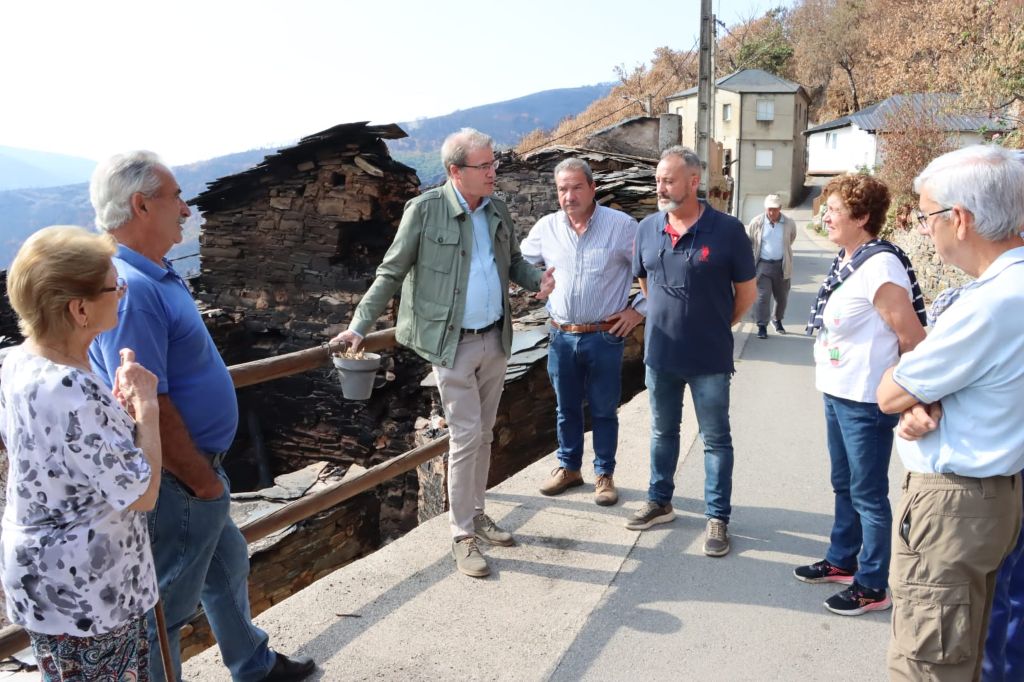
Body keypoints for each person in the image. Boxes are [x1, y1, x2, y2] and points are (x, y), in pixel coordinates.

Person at [88, 152, 315, 682]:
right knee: (166, 605)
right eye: (175, 197)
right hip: (178, 478)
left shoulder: (153, 275)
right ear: (141, 205)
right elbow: (149, 403)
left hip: (192, 473)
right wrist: (202, 482)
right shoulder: (133, 292)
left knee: (226, 563)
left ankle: (254, 665)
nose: (187, 209)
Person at [332, 128, 554, 578]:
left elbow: (512, 263)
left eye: (493, 163)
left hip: (496, 337)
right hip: (452, 343)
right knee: (466, 435)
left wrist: (538, 282)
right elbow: (391, 272)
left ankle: (477, 513)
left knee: (485, 433)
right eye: (484, 166)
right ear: (456, 171)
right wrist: (359, 326)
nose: (493, 172)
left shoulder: (496, 209)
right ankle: (462, 534)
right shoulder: (425, 210)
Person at [877, 144, 1024, 681]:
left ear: (959, 219)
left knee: (929, 662)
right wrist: (927, 394)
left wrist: (916, 390)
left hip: (954, 504)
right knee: (967, 649)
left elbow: (890, 393)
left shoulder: (989, 304)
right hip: (997, 495)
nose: (924, 229)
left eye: (926, 215)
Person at [1, 226, 161, 680]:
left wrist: (114, 415)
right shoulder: (70, 387)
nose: (122, 293)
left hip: (46, 581)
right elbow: (143, 493)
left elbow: (66, 454)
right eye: (114, 286)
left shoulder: (19, 362)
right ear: (80, 309)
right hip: (88, 590)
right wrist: (146, 405)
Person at [795, 174, 927, 616]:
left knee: (868, 493)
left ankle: (872, 585)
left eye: (835, 210)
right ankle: (842, 559)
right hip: (838, 390)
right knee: (844, 483)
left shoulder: (879, 266)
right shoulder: (849, 259)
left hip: (867, 398)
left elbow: (912, 338)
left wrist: (913, 397)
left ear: (863, 217)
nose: (826, 216)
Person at [626, 145, 756, 558]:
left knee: (715, 439)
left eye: (668, 180)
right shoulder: (647, 229)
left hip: (709, 358)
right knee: (662, 432)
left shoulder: (728, 230)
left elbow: (747, 293)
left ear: (694, 182)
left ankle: (717, 517)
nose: (660, 187)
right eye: (658, 180)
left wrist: (715, 324)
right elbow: (646, 283)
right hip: (660, 356)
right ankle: (659, 501)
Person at [521, 158, 643, 507]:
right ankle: (569, 468)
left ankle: (604, 475)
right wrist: (535, 282)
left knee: (604, 409)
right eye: (563, 189)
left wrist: (638, 310)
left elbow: (652, 269)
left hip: (604, 336)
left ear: (593, 188)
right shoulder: (546, 228)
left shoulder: (622, 226)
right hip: (561, 335)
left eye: (576, 187)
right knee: (566, 408)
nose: (569, 196)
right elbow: (520, 262)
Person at [747, 193, 797, 339]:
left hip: (781, 265)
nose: (772, 212)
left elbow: (791, 238)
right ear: (765, 208)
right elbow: (751, 240)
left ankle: (777, 320)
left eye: (775, 209)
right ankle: (762, 325)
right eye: (769, 209)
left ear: (780, 208)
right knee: (762, 297)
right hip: (763, 265)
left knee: (782, 297)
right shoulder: (756, 222)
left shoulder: (789, 223)